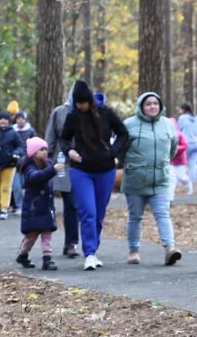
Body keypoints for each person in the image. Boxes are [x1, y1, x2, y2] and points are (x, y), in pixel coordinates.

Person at [60, 79, 130, 271]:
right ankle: (89, 253)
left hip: (105, 170)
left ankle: (94, 250)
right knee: (87, 212)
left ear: (89, 100)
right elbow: (64, 138)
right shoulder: (73, 116)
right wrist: (69, 152)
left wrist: (113, 152)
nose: (79, 106)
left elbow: (123, 134)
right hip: (80, 170)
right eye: (76, 103)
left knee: (99, 213)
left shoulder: (106, 113)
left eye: (82, 103)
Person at [122, 91, 182, 266]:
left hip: (160, 179)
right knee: (135, 216)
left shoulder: (167, 124)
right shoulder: (129, 124)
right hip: (135, 179)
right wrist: (133, 165)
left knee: (163, 214)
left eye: (155, 103)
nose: (152, 106)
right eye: (148, 104)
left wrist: (162, 164)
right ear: (141, 106)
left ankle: (170, 249)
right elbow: (120, 149)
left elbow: (173, 148)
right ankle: (133, 251)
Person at [45, 91, 81, 258]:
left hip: (83, 161)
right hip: (63, 161)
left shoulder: (88, 111)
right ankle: (68, 243)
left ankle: (77, 243)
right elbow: (51, 136)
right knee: (70, 203)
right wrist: (47, 160)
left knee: (79, 205)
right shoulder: (59, 112)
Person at [16, 137, 59, 271]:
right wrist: (52, 170)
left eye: (46, 149)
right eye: (41, 149)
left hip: (46, 207)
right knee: (31, 235)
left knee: (47, 232)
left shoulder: (47, 164)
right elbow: (35, 178)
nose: (45, 152)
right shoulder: (29, 166)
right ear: (33, 152)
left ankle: (47, 259)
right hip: (34, 208)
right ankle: (23, 254)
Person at [0, 110, 25, 220]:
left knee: (5, 187)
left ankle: (4, 208)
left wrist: (15, 153)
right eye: (1, 119)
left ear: (9, 121)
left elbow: (21, 147)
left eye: (5, 119)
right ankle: (0, 206)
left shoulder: (13, 133)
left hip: (9, 164)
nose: (3, 121)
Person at [10, 111, 36, 213]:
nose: (20, 120)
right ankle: (19, 206)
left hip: (29, 163)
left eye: (22, 118)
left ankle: (29, 205)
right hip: (16, 163)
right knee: (16, 186)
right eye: (18, 118)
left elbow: (35, 144)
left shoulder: (31, 131)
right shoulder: (12, 131)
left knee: (30, 186)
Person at [176, 103, 197, 194]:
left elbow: (178, 130)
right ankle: (191, 183)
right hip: (196, 143)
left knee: (180, 164)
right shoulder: (196, 118)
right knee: (193, 165)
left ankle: (178, 184)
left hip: (186, 143)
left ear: (183, 109)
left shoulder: (182, 118)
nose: (179, 111)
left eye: (180, 109)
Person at [170, 127, 191, 203]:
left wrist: (176, 148)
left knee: (181, 177)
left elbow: (185, 145)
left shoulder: (180, 135)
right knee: (172, 179)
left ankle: (189, 185)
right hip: (170, 161)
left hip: (180, 160)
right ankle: (171, 196)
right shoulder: (166, 134)